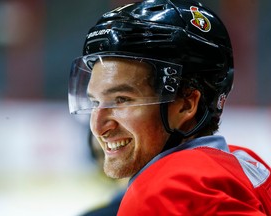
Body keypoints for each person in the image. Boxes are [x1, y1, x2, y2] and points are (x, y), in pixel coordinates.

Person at [68, 0, 271, 215]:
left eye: (122, 100)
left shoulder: (163, 192)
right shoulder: (244, 162)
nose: (98, 127)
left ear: (186, 104)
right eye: (95, 102)